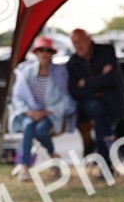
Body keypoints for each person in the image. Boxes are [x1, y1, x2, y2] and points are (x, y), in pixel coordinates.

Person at [66, 28, 124, 177]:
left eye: (80, 40)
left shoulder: (106, 51)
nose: (78, 45)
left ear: (89, 38)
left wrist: (86, 83)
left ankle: (106, 161)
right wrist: (100, 78)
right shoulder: (73, 63)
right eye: (74, 42)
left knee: (102, 129)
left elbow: (111, 78)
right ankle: (107, 163)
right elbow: (74, 91)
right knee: (100, 115)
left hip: (113, 104)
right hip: (91, 106)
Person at [8, 36, 74, 181]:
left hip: (50, 115)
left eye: (48, 50)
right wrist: (28, 112)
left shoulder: (59, 73)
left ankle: (52, 156)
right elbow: (17, 97)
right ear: (36, 53)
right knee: (28, 126)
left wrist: (46, 111)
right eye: (41, 50)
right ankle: (25, 167)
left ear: (52, 53)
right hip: (29, 114)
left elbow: (66, 99)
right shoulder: (26, 72)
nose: (44, 53)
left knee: (40, 130)